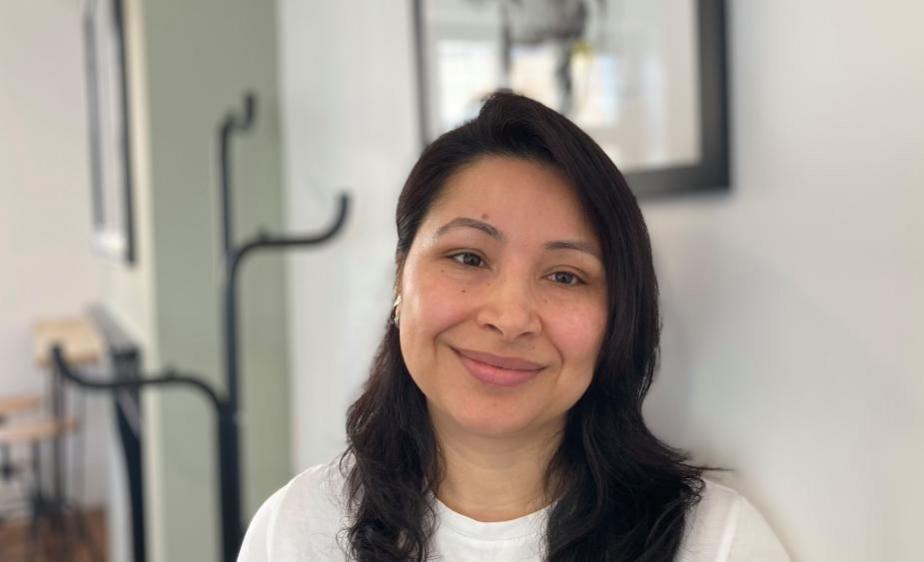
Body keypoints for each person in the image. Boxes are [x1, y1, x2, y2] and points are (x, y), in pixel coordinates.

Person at [238, 91, 790, 561]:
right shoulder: (295, 530)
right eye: (468, 258)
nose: (509, 318)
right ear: (400, 279)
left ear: (618, 317)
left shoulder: (715, 543)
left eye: (566, 276)